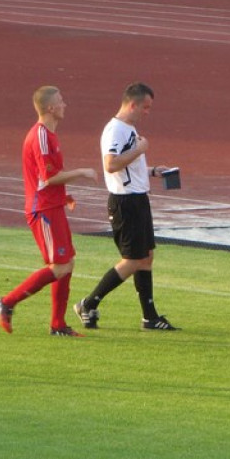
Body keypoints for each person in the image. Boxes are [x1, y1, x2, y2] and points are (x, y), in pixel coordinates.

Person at [0, 86, 99, 336]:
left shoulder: (49, 135)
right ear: (50, 107)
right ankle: (6, 303)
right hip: (43, 210)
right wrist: (82, 172)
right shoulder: (41, 136)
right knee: (59, 266)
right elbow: (49, 177)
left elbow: (47, 180)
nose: (65, 105)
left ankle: (58, 324)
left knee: (67, 263)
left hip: (52, 205)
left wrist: (65, 197)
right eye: (61, 101)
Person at [74, 82, 179, 331]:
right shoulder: (115, 130)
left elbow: (128, 164)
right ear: (132, 104)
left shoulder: (128, 129)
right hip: (125, 202)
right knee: (132, 260)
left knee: (146, 257)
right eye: (145, 107)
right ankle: (88, 303)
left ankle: (149, 316)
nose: (147, 112)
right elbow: (111, 164)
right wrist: (140, 149)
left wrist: (152, 171)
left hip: (138, 198)